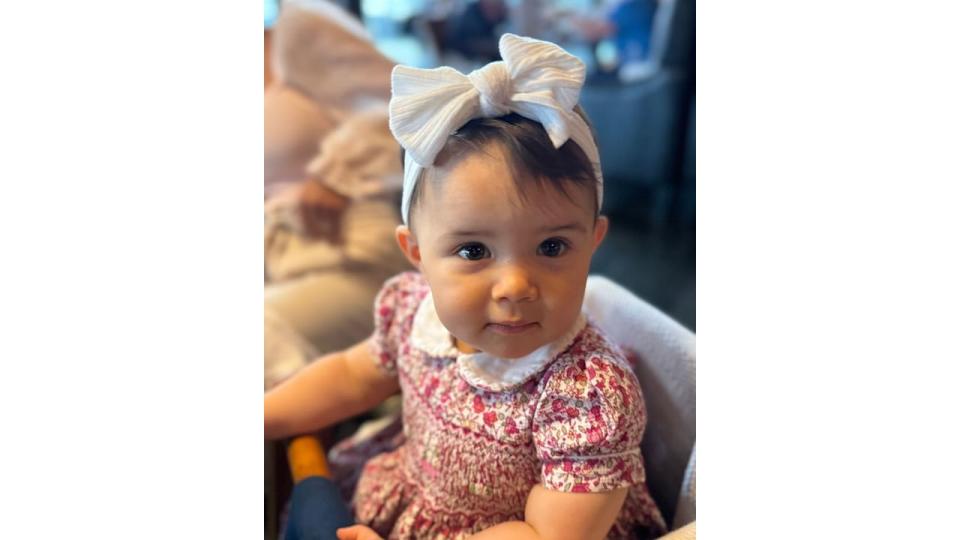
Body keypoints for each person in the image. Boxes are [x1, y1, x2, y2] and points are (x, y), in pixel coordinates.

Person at [265, 33, 667, 539]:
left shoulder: (586, 393)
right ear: (416, 255)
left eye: (552, 248)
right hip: (414, 490)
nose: (515, 286)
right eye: (474, 251)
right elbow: (350, 376)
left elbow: (549, 535)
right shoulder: (412, 312)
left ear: (593, 242)